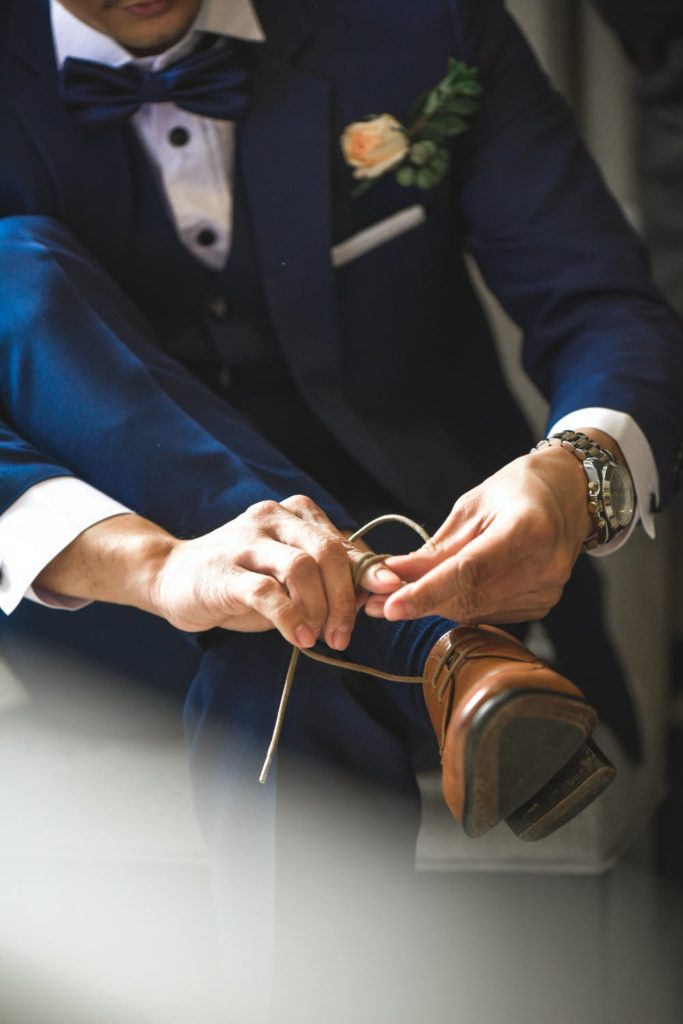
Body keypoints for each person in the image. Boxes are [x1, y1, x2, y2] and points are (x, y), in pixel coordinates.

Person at [1, 1, 682, 1013]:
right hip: (112, 597)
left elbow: (602, 304)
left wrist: (575, 470)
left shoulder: (418, 24)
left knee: (281, 644)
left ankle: (404, 632)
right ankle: (439, 653)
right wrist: (158, 567)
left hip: (433, 560)